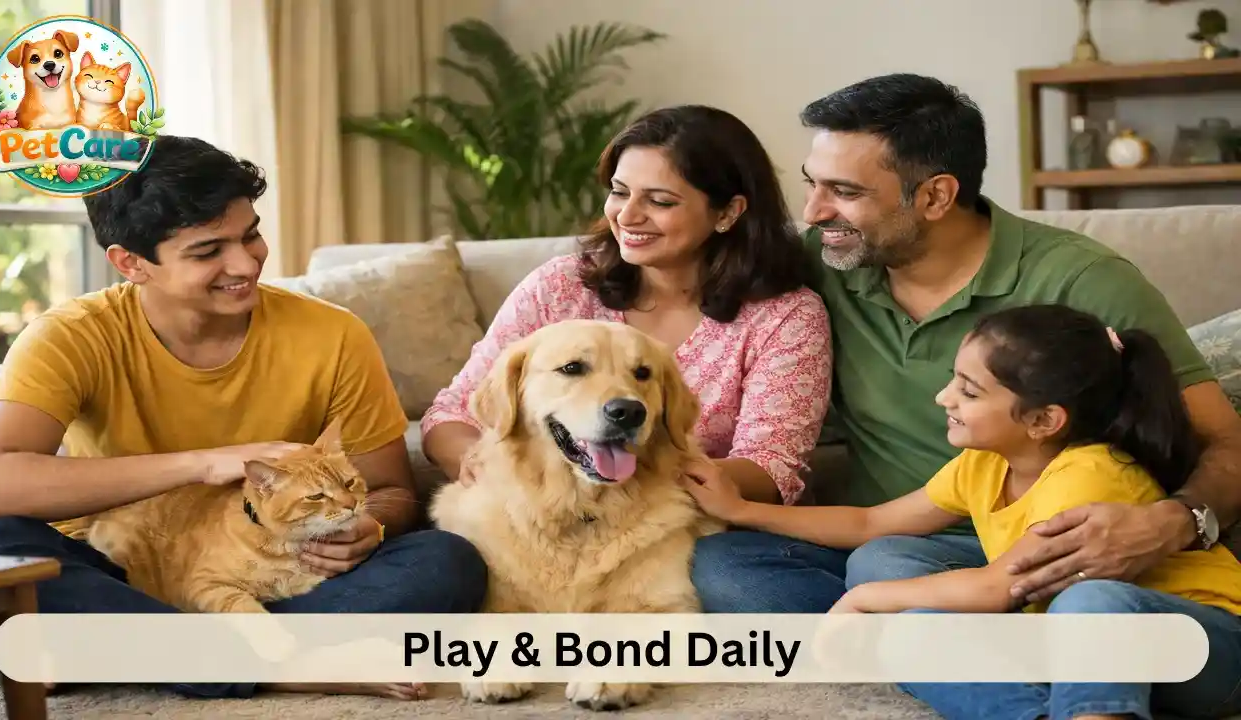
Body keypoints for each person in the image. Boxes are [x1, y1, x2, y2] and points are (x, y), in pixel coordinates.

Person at [690, 73, 1241, 613]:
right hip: (881, 533)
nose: (812, 212)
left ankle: (924, 632)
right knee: (720, 566)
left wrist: (1175, 522)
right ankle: (914, 633)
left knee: (884, 566)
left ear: (936, 196)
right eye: (812, 183)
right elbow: (673, 279)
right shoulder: (822, 263)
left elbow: (1226, 441)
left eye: (845, 192)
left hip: (1038, 546)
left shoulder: (1083, 280)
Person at [0, 135, 487, 701]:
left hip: (278, 577)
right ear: (131, 263)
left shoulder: (334, 334)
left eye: (251, 234)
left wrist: (367, 528)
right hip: (126, 569)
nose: (246, 263)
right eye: (208, 251)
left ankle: (136, 648)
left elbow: (388, 489)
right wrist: (200, 464)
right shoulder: (70, 335)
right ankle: (278, 663)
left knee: (447, 559)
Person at [686, 303, 1241, 720]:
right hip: (1069, 647)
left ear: (1044, 421)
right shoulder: (984, 464)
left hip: (1202, 650)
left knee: (1090, 600)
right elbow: (871, 523)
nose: (943, 398)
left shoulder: (1092, 474)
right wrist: (742, 510)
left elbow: (998, 588)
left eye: (969, 391)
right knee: (912, 634)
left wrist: (863, 598)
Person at [422, 104, 833, 507]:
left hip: (696, 528)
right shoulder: (559, 285)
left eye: (660, 201)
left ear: (728, 211)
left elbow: (770, 468)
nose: (628, 215)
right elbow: (451, 415)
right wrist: (484, 464)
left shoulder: (787, 316)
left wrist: (642, 475)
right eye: (619, 192)